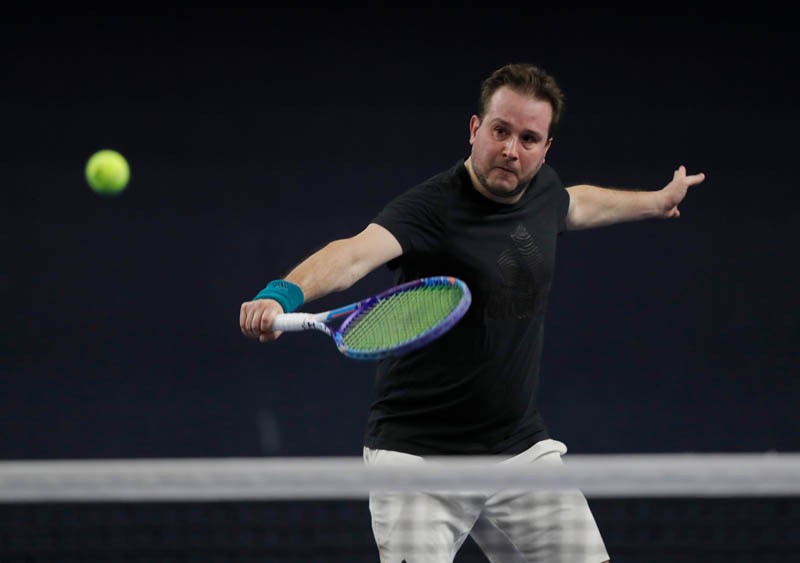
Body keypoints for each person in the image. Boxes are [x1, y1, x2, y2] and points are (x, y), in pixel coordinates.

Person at [240, 62, 705, 562]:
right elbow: (352, 255)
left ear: (545, 148)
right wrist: (281, 294)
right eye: (500, 131)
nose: (511, 150)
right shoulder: (429, 208)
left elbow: (576, 204)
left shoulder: (542, 189)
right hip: (419, 460)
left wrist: (655, 202)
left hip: (517, 450)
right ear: (475, 128)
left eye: (528, 139)